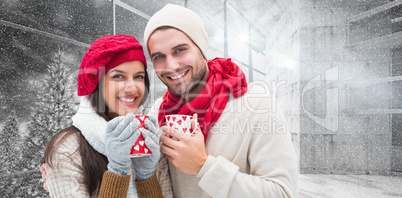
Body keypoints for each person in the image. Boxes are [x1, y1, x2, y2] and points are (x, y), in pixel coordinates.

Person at [143, 4, 299, 197]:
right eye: (159, 56)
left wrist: (203, 166)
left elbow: (283, 193)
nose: (171, 65)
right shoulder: (159, 111)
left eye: (180, 50)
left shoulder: (256, 104)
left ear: (201, 48)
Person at [41, 35, 172, 197]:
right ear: (96, 84)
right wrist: (117, 171)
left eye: (139, 77)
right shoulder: (67, 151)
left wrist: (146, 176)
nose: (132, 88)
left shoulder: (149, 141)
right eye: (118, 76)